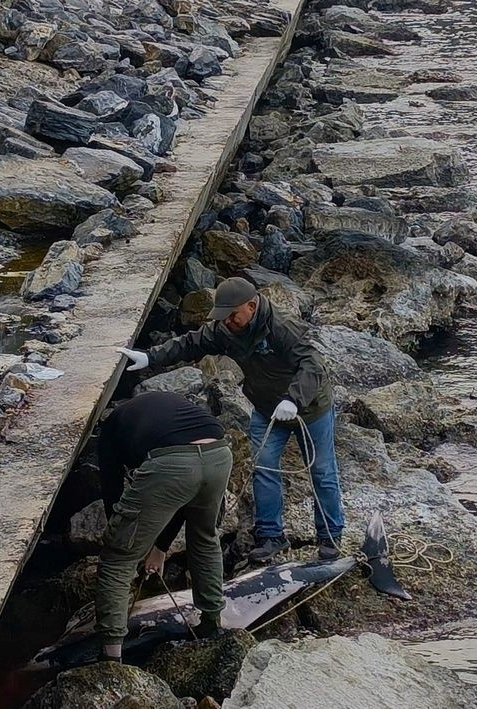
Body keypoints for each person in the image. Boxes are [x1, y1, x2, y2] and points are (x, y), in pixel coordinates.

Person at [118, 276, 346, 563]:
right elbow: (192, 343)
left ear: (251, 306)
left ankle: (330, 536)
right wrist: (150, 357)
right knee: (264, 468)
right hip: (267, 409)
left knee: (323, 472)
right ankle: (271, 536)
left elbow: (312, 363)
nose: (227, 322)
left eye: (232, 316)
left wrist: (294, 399)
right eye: (223, 317)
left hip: (311, 409)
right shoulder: (226, 329)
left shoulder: (282, 326)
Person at [93, 390, 232, 663]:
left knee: (117, 558)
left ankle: (110, 658)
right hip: (219, 454)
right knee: (204, 538)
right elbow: (182, 500)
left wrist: (129, 543)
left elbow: (113, 495)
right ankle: (211, 622)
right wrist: (158, 548)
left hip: (174, 463)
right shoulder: (163, 407)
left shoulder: (109, 431)